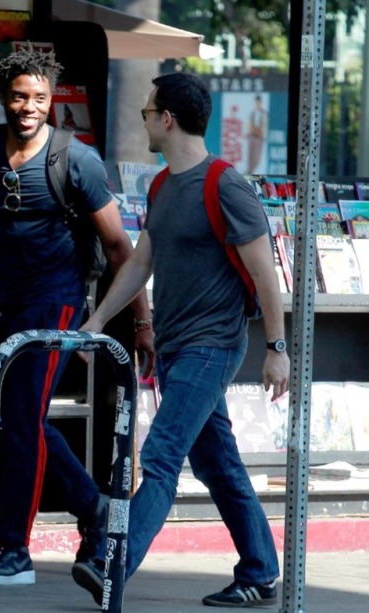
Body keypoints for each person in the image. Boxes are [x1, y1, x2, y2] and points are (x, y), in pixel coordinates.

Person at [78, 72, 290, 608]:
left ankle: (111, 563)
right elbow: (140, 262)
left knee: (164, 453)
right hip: (175, 348)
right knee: (217, 463)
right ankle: (261, 571)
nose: (144, 119)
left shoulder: (226, 185)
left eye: (148, 112)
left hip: (212, 345)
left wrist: (276, 348)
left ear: (167, 118)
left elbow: (266, 275)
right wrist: (99, 320)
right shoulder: (162, 184)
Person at [0, 47, 154, 589]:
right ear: (3, 98)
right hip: (0, 303)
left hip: (56, 304)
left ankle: (14, 551)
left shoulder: (77, 159)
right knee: (19, 418)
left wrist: (141, 323)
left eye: (40, 99)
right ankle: (92, 510)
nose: (29, 107)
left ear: (52, 102)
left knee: (20, 420)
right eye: (20, 96)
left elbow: (120, 247)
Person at [246, 94, 268, 174]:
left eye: (258, 102)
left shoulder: (264, 113)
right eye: (256, 102)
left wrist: (261, 134)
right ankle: (249, 171)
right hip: (252, 137)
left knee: (257, 157)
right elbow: (249, 125)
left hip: (259, 138)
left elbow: (264, 126)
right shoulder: (252, 113)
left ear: (260, 103)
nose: (257, 103)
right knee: (250, 155)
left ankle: (251, 171)